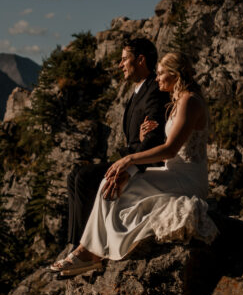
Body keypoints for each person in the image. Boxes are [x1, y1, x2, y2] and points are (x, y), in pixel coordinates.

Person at [50, 52, 218, 277]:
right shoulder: (180, 101)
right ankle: (88, 250)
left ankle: (89, 252)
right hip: (171, 173)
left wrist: (129, 159)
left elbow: (170, 149)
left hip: (187, 180)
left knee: (117, 184)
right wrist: (139, 142)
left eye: (160, 74)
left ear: (174, 74)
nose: (156, 78)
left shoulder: (190, 101)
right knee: (110, 184)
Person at [59, 37, 169, 271]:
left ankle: (86, 249)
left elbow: (154, 138)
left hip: (143, 164)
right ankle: (76, 243)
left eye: (123, 59)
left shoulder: (154, 91)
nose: (120, 65)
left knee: (85, 178)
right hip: (132, 155)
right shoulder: (139, 91)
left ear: (140, 60)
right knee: (75, 175)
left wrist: (129, 168)